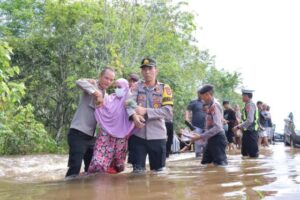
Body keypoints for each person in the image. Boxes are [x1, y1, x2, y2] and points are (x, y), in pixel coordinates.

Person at [66, 67, 115, 177]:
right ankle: (68, 192)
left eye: (111, 80)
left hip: (92, 138)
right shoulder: (91, 86)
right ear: (100, 77)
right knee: (75, 167)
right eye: (106, 78)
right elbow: (78, 82)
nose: (108, 81)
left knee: (92, 171)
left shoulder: (106, 96)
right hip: (78, 133)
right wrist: (96, 93)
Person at [126, 57, 173, 173]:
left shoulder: (164, 88)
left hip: (158, 136)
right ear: (141, 71)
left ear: (156, 70)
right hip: (137, 136)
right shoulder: (136, 86)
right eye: (144, 69)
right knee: (137, 173)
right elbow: (128, 103)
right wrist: (134, 116)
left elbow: (167, 111)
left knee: (158, 174)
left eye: (150, 69)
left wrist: (146, 111)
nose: (147, 72)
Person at [88, 78, 135, 174]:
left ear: (126, 88)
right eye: (116, 87)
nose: (117, 89)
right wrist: (94, 84)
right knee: (98, 161)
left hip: (121, 136)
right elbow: (100, 105)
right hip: (105, 134)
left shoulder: (130, 99)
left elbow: (135, 110)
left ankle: (114, 187)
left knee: (117, 166)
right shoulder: (109, 98)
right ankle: (96, 184)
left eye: (119, 87)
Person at [190, 84, 228, 166]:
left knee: (220, 165)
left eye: (202, 97)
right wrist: (202, 136)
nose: (202, 100)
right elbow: (210, 125)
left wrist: (200, 136)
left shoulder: (215, 106)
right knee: (205, 163)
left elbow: (217, 127)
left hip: (217, 139)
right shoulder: (210, 106)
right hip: (211, 139)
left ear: (207, 95)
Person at [233, 89, 259, 158]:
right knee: (244, 153)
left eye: (243, 96)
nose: (242, 97)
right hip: (247, 131)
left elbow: (250, 120)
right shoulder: (247, 105)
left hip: (251, 131)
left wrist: (238, 126)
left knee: (252, 155)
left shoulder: (250, 105)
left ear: (247, 96)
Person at [185, 89, 207, 157]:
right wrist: (187, 118)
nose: (199, 95)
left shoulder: (207, 102)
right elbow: (187, 110)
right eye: (198, 93)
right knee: (197, 142)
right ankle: (198, 155)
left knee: (206, 142)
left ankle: (206, 156)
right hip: (196, 125)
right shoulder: (194, 102)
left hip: (206, 125)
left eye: (201, 93)